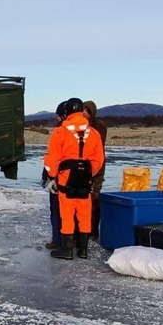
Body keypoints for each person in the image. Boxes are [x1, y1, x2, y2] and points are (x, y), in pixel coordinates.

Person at [43, 98, 105, 260]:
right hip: (85, 178)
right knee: (84, 213)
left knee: (67, 214)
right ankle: (83, 251)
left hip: (66, 178)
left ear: (66, 112)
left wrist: (52, 178)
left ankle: (66, 250)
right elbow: (99, 159)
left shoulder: (60, 132)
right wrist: (89, 173)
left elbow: (52, 158)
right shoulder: (94, 133)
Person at [42, 102, 67, 250]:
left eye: (58, 115)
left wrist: (49, 177)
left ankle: (58, 240)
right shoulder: (87, 132)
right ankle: (76, 242)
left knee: (57, 211)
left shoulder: (59, 133)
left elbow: (52, 158)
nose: (57, 118)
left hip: (59, 179)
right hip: (79, 180)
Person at [83, 100, 108, 238]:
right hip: (83, 170)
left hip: (96, 169)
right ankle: (83, 230)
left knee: (94, 199)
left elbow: (96, 147)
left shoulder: (99, 126)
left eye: (86, 111)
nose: (84, 113)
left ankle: (93, 231)